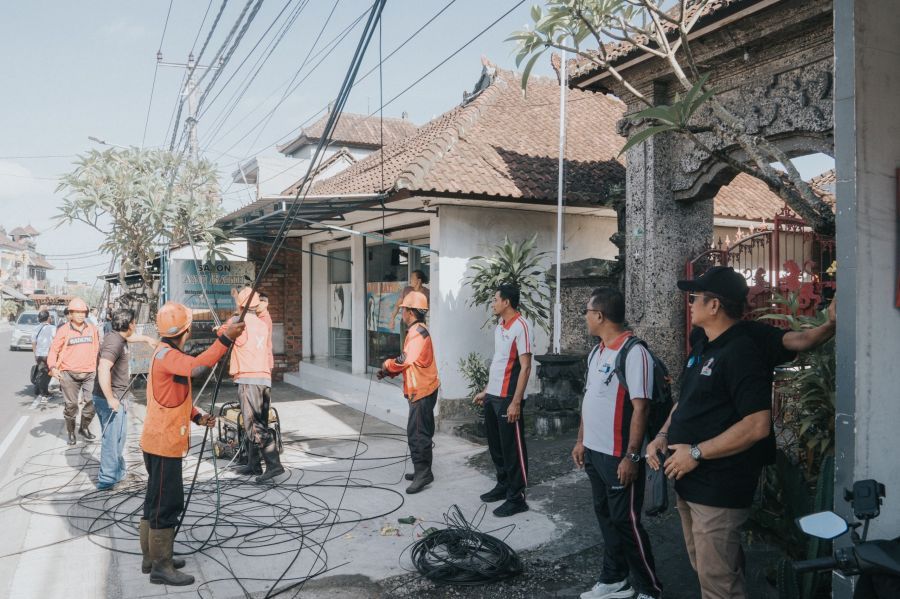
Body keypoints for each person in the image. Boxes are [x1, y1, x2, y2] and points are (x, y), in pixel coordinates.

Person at [646, 266, 772, 599]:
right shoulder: (704, 346)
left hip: (719, 488)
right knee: (706, 571)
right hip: (689, 484)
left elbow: (757, 425)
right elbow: (684, 404)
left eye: (695, 298)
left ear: (714, 305)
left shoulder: (741, 352)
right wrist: (661, 436)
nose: (690, 305)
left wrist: (697, 453)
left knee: (719, 584)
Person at [140, 302, 244, 586]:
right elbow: (197, 367)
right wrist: (225, 340)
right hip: (163, 443)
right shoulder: (167, 355)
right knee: (166, 503)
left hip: (159, 440)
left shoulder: (167, 353)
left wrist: (198, 417)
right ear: (185, 330)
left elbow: (173, 398)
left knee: (155, 500)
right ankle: (161, 566)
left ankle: (152, 558)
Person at [573, 288, 663, 599]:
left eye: (587, 311)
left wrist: (631, 457)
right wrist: (581, 440)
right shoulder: (597, 352)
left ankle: (649, 588)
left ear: (599, 316)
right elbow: (589, 399)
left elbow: (642, 408)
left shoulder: (634, 352)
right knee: (606, 516)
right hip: (595, 453)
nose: (584, 317)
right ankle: (615, 579)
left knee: (627, 523)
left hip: (619, 456)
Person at [473, 284, 534, 517]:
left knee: (512, 449)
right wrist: (486, 390)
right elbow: (500, 362)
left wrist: (516, 402)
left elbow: (525, 367)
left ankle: (517, 497)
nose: (493, 303)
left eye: (495, 299)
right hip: (493, 396)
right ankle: (503, 485)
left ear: (507, 302)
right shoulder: (500, 326)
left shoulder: (522, 326)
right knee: (496, 446)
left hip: (509, 397)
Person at [377, 291, 440, 494]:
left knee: (417, 433)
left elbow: (405, 360)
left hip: (422, 390)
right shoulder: (417, 330)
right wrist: (389, 372)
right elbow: (411, 363)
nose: (401, 313)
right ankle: (423, 470)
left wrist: (387, 364)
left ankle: (423, 473)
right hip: (422, 387)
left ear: (411, 312)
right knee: (422, 431)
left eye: (403, 309)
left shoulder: (418, 333)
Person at [221, 288, 284, 483]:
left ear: (241, 305)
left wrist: (223, 327)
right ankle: (253, 464)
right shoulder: (262, 323)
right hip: (263, 379)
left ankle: (274, 465)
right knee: (259, 422)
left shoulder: (239, 324)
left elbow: (224, 332)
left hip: (249, 379)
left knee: (253, 424)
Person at [92, 308, 138, 491]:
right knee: (112, 440)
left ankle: (118, 473)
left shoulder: (119, 337)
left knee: (118, 438)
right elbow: (103, 368)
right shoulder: (114, 342)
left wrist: (148, 340)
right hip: (111, 399)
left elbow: (132, 339)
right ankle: (107, 479)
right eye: (134, 322)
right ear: (129, 324)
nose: (135, 325)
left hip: (117, 397)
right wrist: (111, 398)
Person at [48, 297, 100, 446]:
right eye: (77, 312)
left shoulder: (92, 329)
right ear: (70, 314)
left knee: (92, 402)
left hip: (90, 373)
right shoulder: (63, 330)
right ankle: (71, 432)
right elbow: (53, 350)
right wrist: (52, 367)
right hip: (68, 374)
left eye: (83, 312)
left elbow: (97, 349)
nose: (80, 315)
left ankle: (84, 427)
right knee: (71, 406)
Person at [32, 310, 56, 403]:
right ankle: (44, 394)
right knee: (47, 374)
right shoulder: (53, 328)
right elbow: (55, 341)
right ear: (48, 318)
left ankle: (43, 392)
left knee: (43, 373)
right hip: (48, 355)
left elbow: (33, 343)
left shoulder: (35, 328)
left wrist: (35, 354)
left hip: (39, 354)